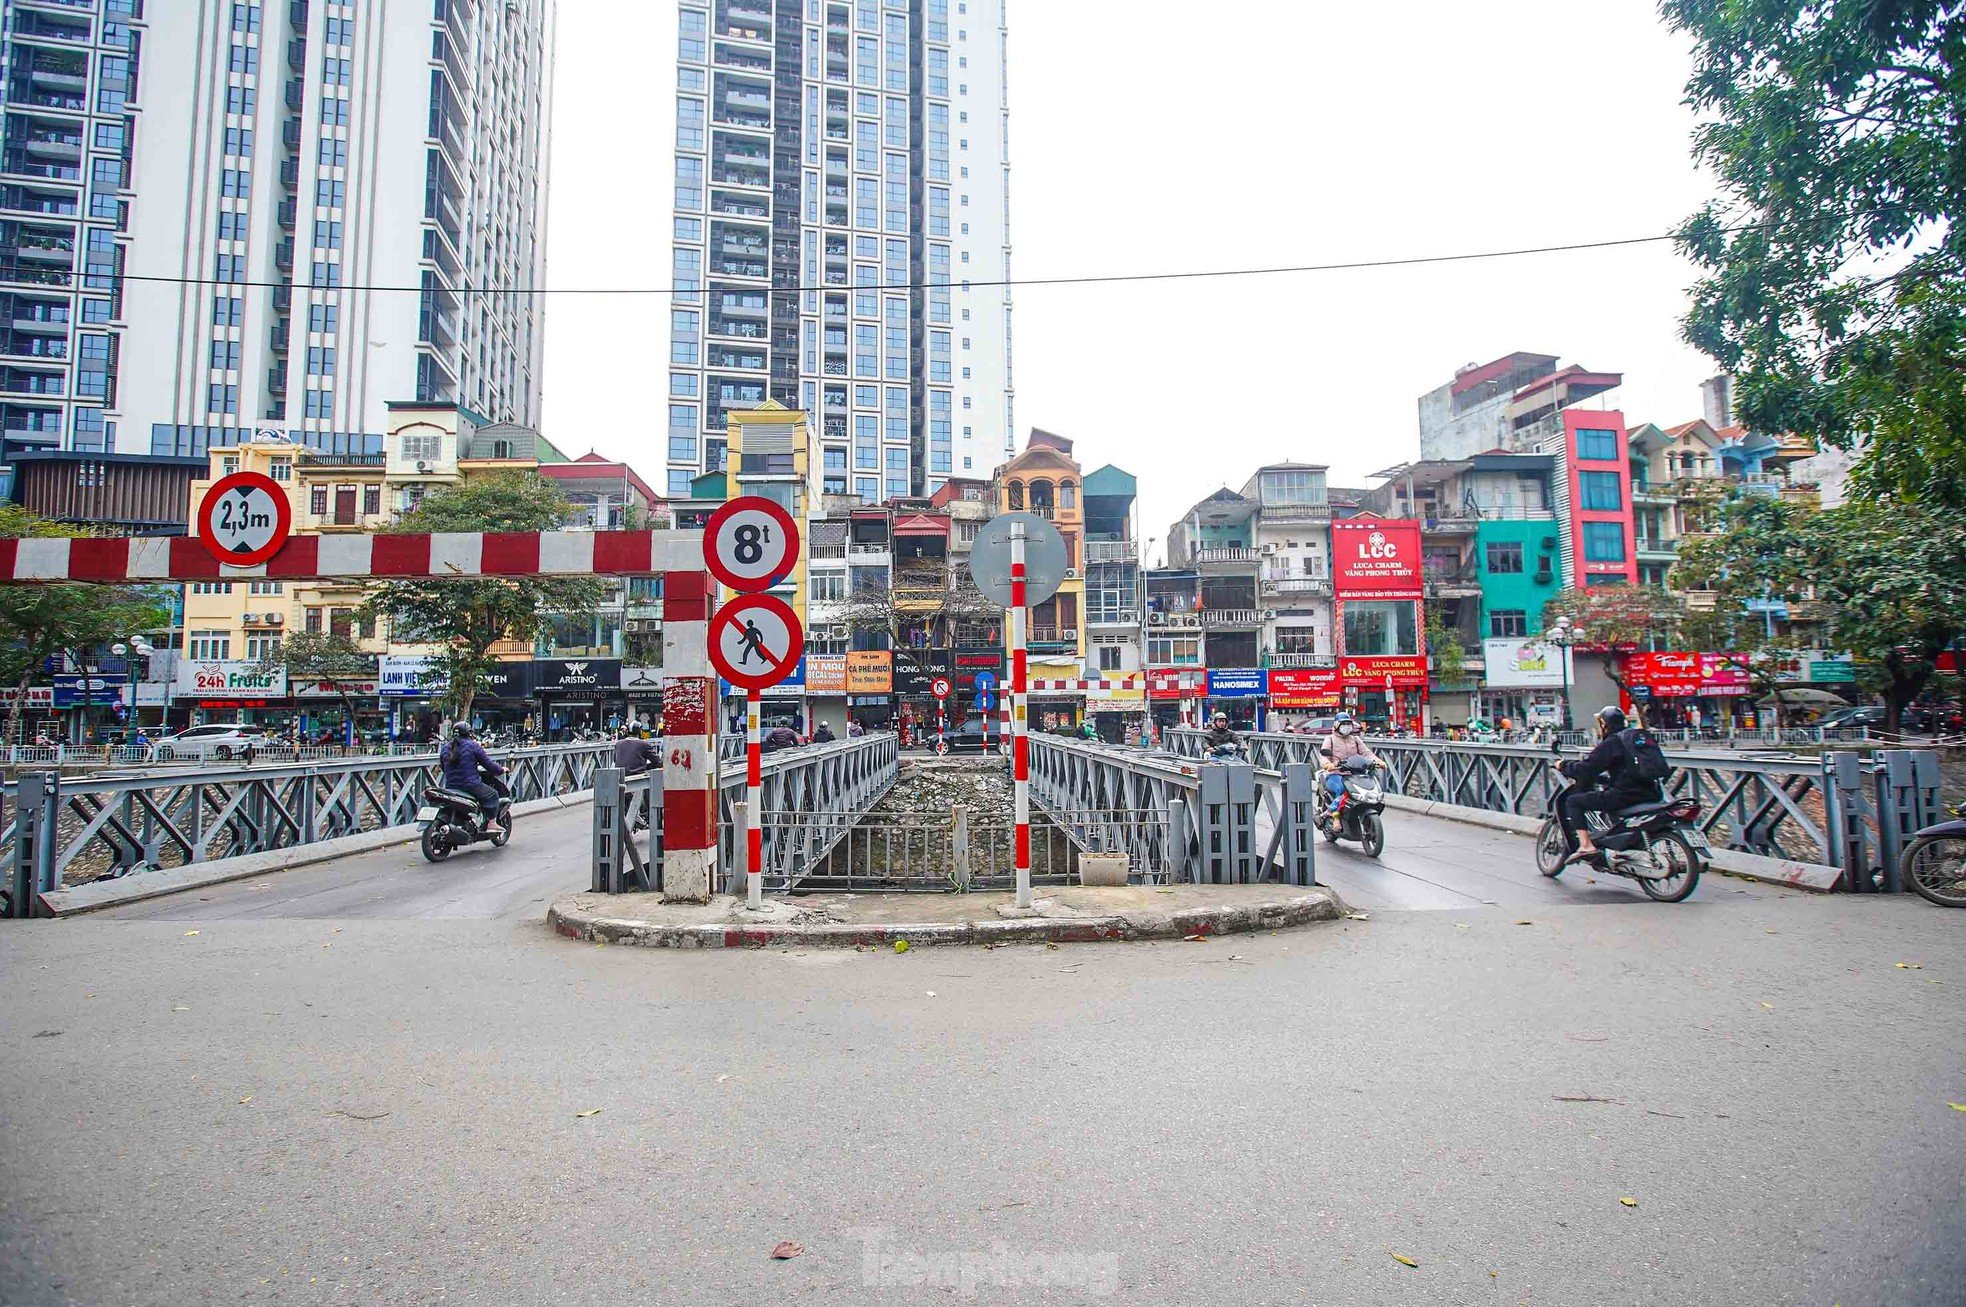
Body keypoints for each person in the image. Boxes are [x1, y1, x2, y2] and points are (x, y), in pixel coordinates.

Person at [1557, 705, 1669, 865]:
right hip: (1652, 792)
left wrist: (1563, 766)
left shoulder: (1612, 742)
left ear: (1604, 724)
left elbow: (1587, 769)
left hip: (1625, 796)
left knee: (1573, 802)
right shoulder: (1636, 738)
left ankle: (1586, 846)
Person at [441, 723, 507, 820]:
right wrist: (501, 770)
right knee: (493, 794)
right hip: (470, 785)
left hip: (451, 786)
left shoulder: (445, 748)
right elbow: (489, 765)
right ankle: (491, 823)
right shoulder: (473, 746)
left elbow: (444, 768)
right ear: (469, 733)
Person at [1318, 712, 1380, 810]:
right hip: (1336, 774)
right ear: (1337, 725)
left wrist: (1377, 761)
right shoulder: (1330, 739)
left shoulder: (1355, 739)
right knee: (1342, 789)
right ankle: (1334, 814)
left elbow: (1366, 753)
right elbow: (1323, 757)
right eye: (1343, 724)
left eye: (1348, 724)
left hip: (1355, 774)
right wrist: (1327, 764)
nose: (1346, 727)